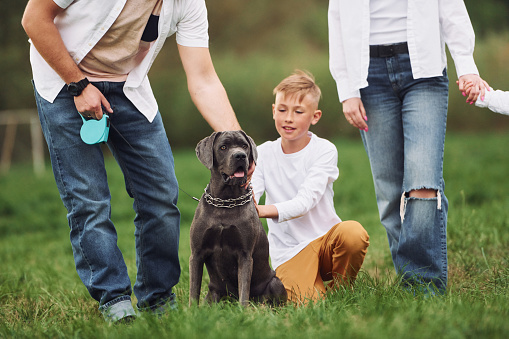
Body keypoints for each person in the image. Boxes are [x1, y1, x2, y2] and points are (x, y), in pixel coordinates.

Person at [22, 0, 243, 323]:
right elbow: (34, 19)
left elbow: (204, 79)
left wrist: (239, 143)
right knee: (89, 200)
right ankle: (114, 299)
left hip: (128, 86)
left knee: (161, 194)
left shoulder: (190, 4)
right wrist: (79, 84)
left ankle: (158, 298)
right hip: (63, 80)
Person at [328, 0, 490, 294]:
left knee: (423, 183)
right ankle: (411, 279)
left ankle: (424, 287)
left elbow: (451, 7)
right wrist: (347, 90)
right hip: (368, 77)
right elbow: (336, 19)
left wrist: (466, 65)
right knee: (391, 194)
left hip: (424, 70)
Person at [251, 70, 370, 304]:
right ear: (274, 111)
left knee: (353, 233)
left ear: (315, 116)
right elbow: (251, 193)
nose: (288, 118)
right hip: (289, 252)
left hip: (327, 242)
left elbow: (305, 202)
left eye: (298, 112)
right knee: (310, 305)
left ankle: (341, 289)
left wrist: (262, 210)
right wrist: (243, 201)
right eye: (282, 110)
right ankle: (311, 289)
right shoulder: (262, 153)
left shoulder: (324, 150)